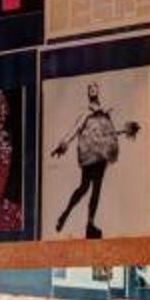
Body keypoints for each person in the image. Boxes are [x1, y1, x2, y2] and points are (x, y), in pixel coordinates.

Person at [50, 81, 136, 240]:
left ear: (98, 91)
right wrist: (62, 144)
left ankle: (90, 224)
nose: (93, 91)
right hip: (89, 154)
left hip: (101, 156)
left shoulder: (105, 113)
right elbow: (75, 130)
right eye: (90, 89)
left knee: (96, 189)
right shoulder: (86, 113)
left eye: (95, 88)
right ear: (88, 93)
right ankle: (65, 214)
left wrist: (126, 130)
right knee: (84, 187)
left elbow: (109, 133)